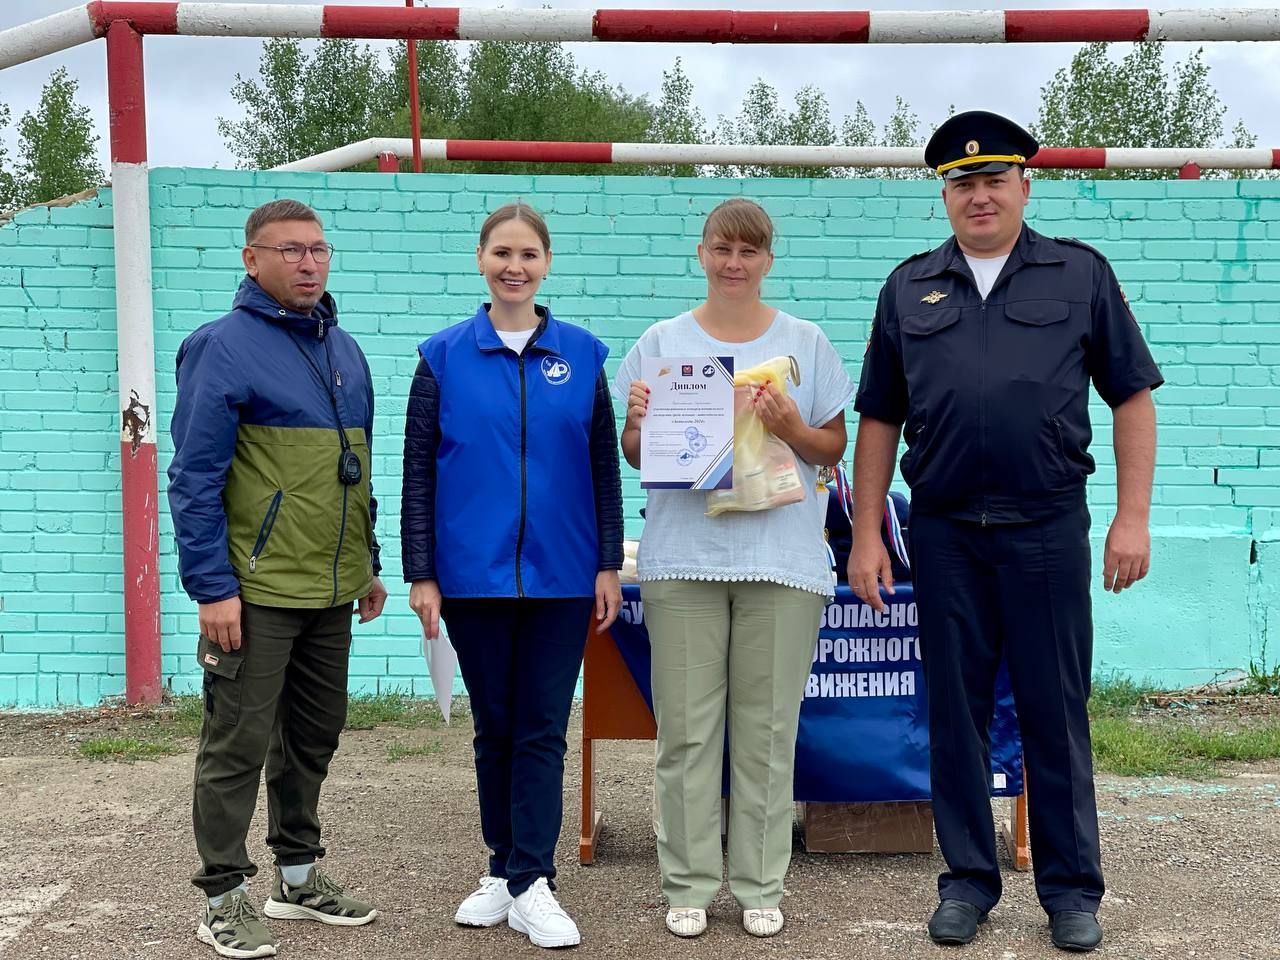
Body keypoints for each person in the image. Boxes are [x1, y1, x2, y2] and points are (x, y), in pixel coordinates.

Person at [850, 111, 1162, 953]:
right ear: (944, 197)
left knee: (1054, 710)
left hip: (1047, 529)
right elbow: (878, 416)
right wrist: (869, 533)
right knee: (954, 713)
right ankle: (967, 882)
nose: (978, 194)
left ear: (1026, 184)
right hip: (946, 534)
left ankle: (1069, 890)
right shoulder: (909, 286)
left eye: (993, 179)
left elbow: (1131, 396)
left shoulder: (1080, 275)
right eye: (961, 182)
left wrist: (1132, 518)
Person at [616, 198, 854, 940]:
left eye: (749, 251)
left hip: (781, 561)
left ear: (767, 261)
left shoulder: (805, 343)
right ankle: (686, 882)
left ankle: (758, 884)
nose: (734, 262)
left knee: (767, 730)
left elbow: (832, 450)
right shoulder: (662, 342)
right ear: (703, 253)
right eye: (723, 248)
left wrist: (789, 424)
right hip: (683, 557)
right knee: (686, 732)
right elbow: (632, 453)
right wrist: (640, 422)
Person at [401, 202, 623, 950]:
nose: (515, 266)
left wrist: (606, 563)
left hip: (564, 578)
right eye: (502, 252)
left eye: (528, 253)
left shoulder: (585, 355)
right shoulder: (441, 357)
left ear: (547, 263)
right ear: (481, 260)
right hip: (472, 579)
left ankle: (535, 879)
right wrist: (422, 572)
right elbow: (418, 477)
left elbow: (602, 471)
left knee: (541, 731)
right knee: (494, 729)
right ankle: (503, 869)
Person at [168, 199, 386, 959]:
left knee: (314, 738)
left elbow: (354, 473)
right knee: (236, 744)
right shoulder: (219, 348)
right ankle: (224, 896)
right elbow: (194, 478)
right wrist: (212, 589)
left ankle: (297, 877)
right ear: (251, 259)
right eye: (289, 250)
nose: (307, 263)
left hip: (330, 592)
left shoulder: (345, 350)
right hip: (253, 595)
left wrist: (369, 563)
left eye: (318, 249)